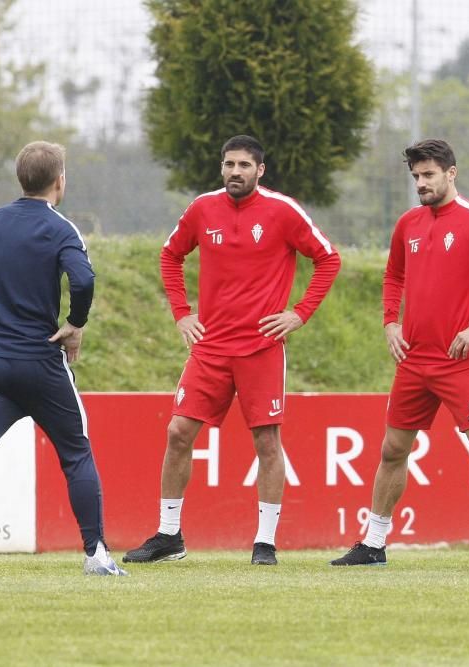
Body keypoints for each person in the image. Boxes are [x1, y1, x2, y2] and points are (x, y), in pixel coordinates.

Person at [123, 135, 340, 566]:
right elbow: (170, 255)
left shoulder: (282, 211)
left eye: (244, 165)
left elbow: (328, 258)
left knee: (266, 441)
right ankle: (169, 536)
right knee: (178, 433)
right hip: (211, 347)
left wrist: (299, 313)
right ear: (221, 168)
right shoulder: (203, 208)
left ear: (260, 170)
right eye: (229, 164)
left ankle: (265, 542)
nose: (235, 172)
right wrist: (183, 313)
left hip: (261, 347)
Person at [330, 139, 469, 568]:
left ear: (451, 173)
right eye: (416, 177)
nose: (421, 184)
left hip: (458, 361)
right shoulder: (408, 224)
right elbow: (393, 276)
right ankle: (373, 544)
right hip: (412, 362)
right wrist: (390, 321)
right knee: (392, 449)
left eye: (428, 175)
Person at [0, 141, 124, 578]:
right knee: (76, 454)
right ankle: (96, 556)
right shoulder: (62, 228)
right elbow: (83, 279)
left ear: (20, 179)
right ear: (59, 181)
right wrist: (75, 323)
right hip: (40, 363)